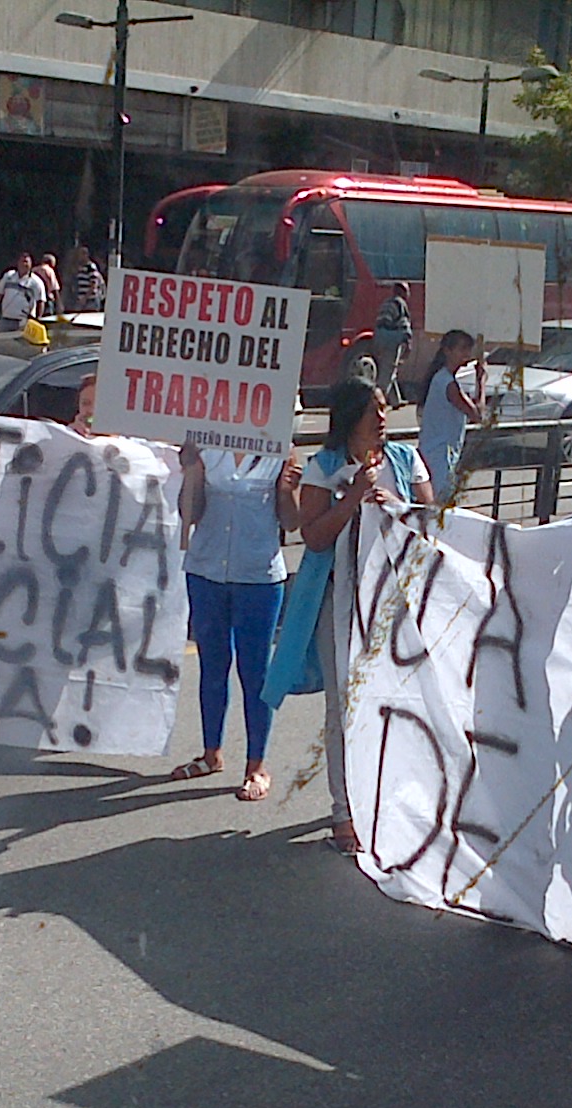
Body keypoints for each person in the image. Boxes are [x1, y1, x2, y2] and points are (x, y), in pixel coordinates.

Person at [268, 378, 433, 854]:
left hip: (394, 604)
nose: (383, 417)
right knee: (345, 707)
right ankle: (345, 812)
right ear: (351, 415)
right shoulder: (325, 467)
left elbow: (431, 517)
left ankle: (386, 798)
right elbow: (314, 537)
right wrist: (353, 498)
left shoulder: (405, 459)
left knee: (395, 705)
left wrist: (398, 508)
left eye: (384, 408)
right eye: (373, 409)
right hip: (339, 601)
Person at [171, 445, 301, 802]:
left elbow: (291, 522)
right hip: (206, 569)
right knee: (213, 666)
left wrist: (288, 490)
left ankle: (256, 764)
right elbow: (191, 513)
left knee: (255, 671)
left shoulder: (279, 452)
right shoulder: (208, 446)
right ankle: (211, 753)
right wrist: (191, 472)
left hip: (258, 574)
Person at [415, 329, 483, 494]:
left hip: (438, 452)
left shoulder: (443, 378)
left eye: (468, 349)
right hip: (439, 455)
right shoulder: (447, 383)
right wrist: (481, 381)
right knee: (439, 503)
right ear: (447, 351)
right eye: (462, 349)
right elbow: (477, 414)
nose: (466, 354)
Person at [371, 282, 414, 406]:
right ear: (402, 292)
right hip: (392, 342)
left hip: (380, 340)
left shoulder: (386, 304)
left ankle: (396, 400)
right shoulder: (400, 304)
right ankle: (379, 400)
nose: (408, 294)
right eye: (407, 291)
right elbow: (404, 327)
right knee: (388, 372)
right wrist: (408, 343)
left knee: (387, 368)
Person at [0, 253, 45, 332]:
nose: (24, 264)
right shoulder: (8, 276)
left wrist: (38, 319)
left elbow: (41, 301)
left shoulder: (36, 282)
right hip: (6, 319)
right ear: (17, 263)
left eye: (26, 262)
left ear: (31, 264)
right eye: (22, 261)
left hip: (24, 321)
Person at [69, 244, 106, 313]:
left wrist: (85, 298)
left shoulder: (90, 266)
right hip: (82, 300)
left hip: (90, 300)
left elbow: (94, 284)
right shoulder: (80, 267)